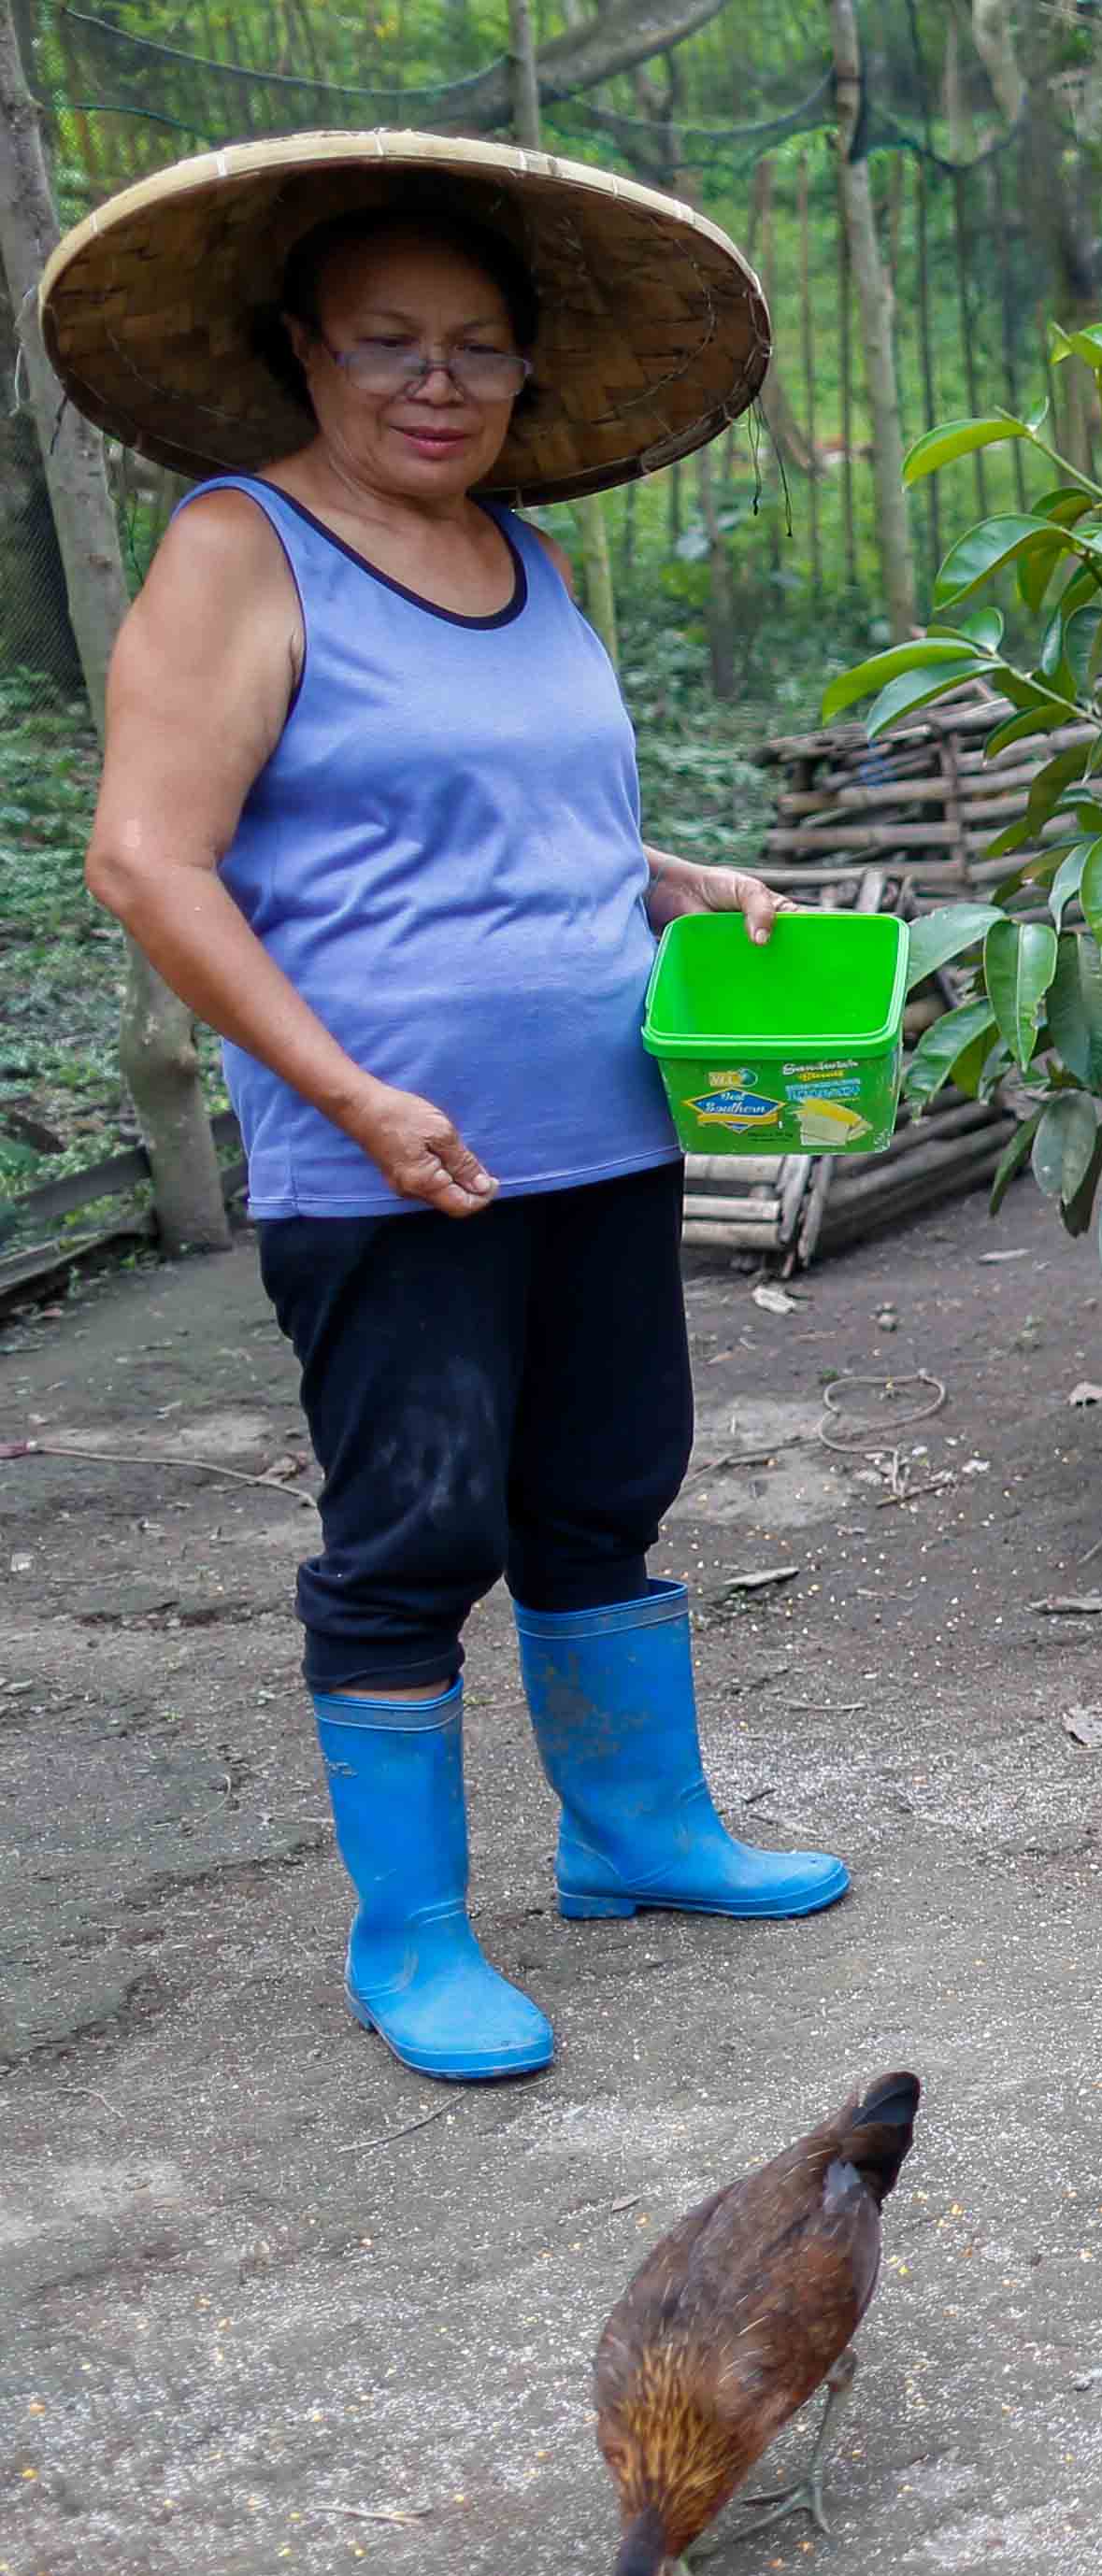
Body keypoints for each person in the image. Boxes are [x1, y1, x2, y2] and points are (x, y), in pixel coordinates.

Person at [64, 141, 823, 2083]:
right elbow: (152, 858)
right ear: (303, 350)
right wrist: (340, 1087)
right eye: (390, 341)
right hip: (384, 1159)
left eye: (478, 348)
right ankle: (408, 1933)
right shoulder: (241, 543)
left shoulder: (526, 554)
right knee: (411, 1533)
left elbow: (516, 824)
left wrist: (679, 881)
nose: (437, 380)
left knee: (603, 1490)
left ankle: (634, 1837)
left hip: (601, 1125)